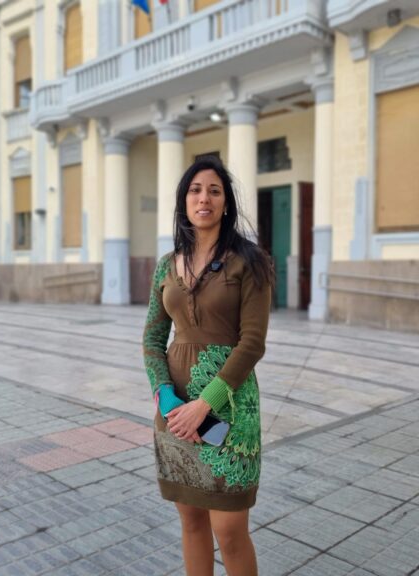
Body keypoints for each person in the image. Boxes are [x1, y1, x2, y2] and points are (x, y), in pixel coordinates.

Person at [142, 156, 273, 575]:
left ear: (226, 203)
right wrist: (166, 399)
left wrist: (205, 404)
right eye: (195, 190)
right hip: (174, 412)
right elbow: (151, 338)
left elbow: (252, 343)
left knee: (230, 530)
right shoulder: (166, 265)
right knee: (192, 520)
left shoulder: (249, 262)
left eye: (214, 191)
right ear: (183, 203)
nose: (204, 198)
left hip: (228, 412)